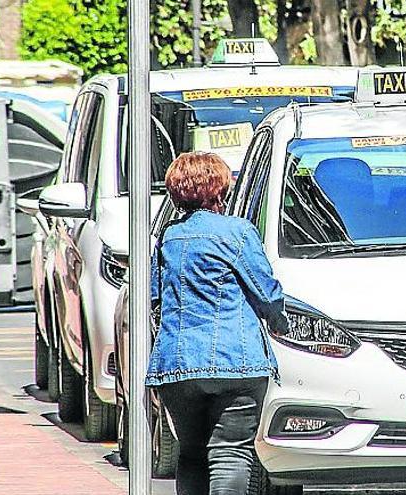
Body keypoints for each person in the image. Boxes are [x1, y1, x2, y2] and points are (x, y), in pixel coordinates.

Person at [146, 151, 287, 495]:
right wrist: (279, 321)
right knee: (231, 453)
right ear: (218, 191)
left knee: (192, 453)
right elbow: (266, 294)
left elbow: (155, 300)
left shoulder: (167, 238)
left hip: (178, 366)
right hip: (236, 362)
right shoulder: (237, 232)